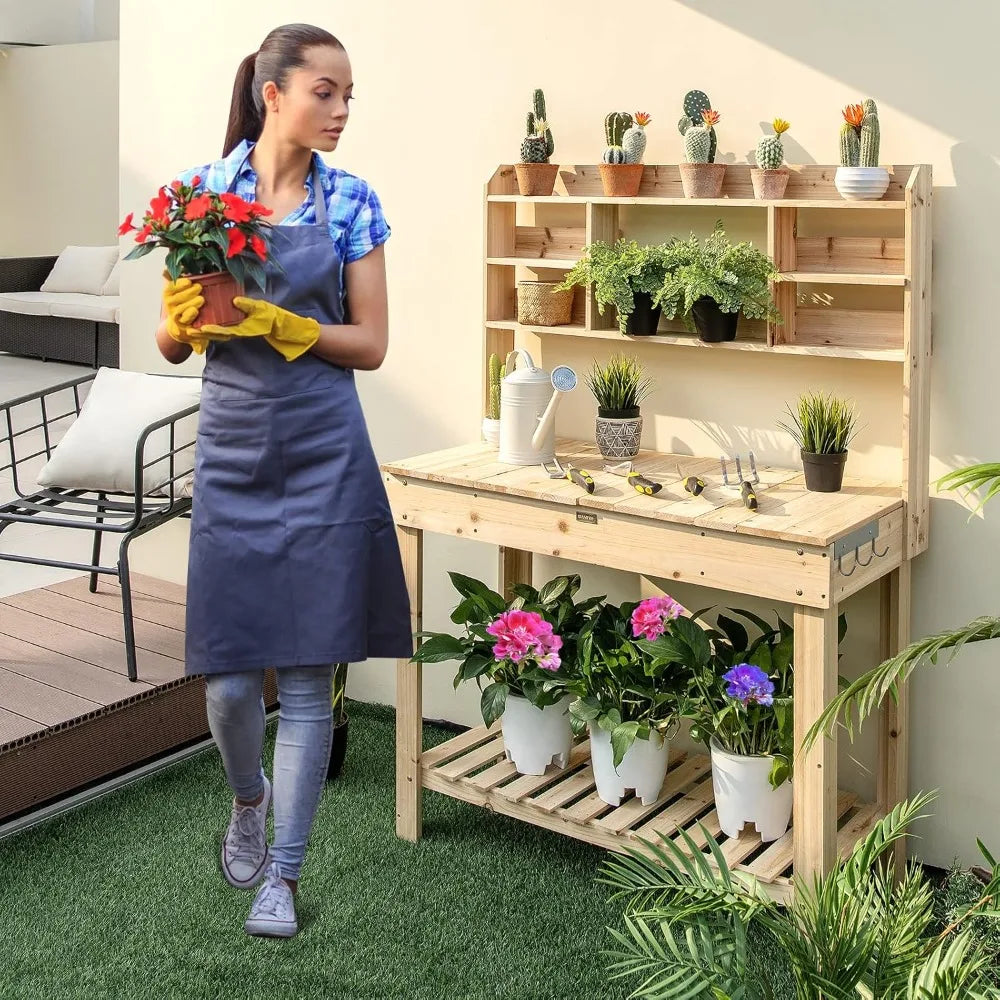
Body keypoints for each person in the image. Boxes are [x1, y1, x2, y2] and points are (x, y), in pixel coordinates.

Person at [154, 23, 414, 939]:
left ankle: (285, 879)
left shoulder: (353, 203)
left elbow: (372, 345)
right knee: (228, 684)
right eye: (326, 92)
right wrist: (186, 315)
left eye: (350, 97)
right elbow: (172, 341)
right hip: (231, 449)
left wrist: (289, 326)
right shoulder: (201, 199)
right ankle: (247, 798)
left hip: (322, 450)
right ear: (274, 94)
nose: (342, 111)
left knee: (304, 681)